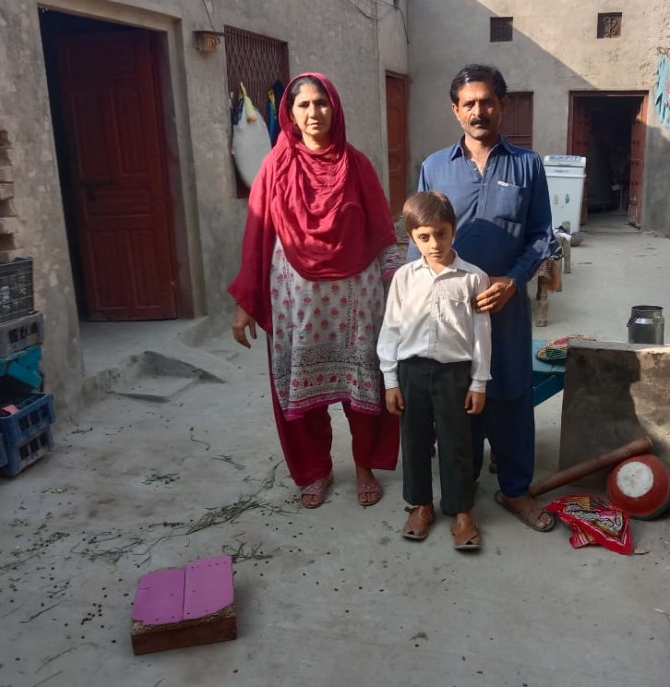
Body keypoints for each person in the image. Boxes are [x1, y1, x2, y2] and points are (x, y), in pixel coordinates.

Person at [229, 72, 401, 509]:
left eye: (321, 103)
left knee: (365, 385)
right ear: (289, 113)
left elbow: (382, 232)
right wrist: (246, 301)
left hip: (357, 300)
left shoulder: (356, 164)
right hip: (294, 301)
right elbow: (257, 234)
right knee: (300, 391)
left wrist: (400, 293)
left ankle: (364, 465)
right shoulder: (275, 166)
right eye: (303, 105)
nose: (313, 113)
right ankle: (315, 471)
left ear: (335, 108)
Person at [414, 64, 556, 532]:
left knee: (512, 392)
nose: (479, 111)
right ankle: (463, 488)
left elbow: (540, 236)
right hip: (453, 312)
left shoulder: (527, 165)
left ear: (503, 105)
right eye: (469, 103)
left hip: (507, 303)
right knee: (458, 397)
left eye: (487, 101)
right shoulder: (434, 167)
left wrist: (514, 280)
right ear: (456, 111)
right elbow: (422, 235)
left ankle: (515, 489)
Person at [378, 191, 492, 550]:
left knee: (457, 441)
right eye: (424, 237)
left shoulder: (473, 278)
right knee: (413, 440)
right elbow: (391, 328)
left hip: (455, 373)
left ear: (453, 230)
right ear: (412, 237)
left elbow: (481, 335)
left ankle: (460, 511)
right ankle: (421, 505)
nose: (434, 243)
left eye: (441, 233)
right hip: (411, 371)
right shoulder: (404, 277)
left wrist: (478, 382)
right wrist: (390, 379)